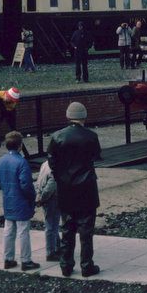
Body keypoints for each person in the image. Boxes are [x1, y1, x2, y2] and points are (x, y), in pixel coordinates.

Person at [48, 102, 101, 277]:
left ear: (68, 116)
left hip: (66, 188)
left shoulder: (57, 137)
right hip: (86, 188)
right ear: (84, 116)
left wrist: (61, 178)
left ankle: (66, 265)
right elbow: (96, 156)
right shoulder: (91, 136)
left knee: (67, 228)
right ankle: (86, 265)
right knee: (86, 231)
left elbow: (52, 163)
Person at [0, 131, 39, 272]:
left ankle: (8, 259)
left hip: (8, 199)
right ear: (20, 146)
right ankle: (26, 260)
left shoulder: (1, 161)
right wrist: (32, 197)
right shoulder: (22, 162)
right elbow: (26, 185)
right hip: (21, 200)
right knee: (23, 231)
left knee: (8, 230)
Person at [35, 159, 61, 262]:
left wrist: (38, 195)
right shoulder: (56, 166)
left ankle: (57, 246)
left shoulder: (45, 163)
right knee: (51, 225)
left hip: (45, 195)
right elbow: (51, 186)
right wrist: (42, 198)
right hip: (52, 198)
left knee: (52, 224)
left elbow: (39, 180)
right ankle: (50, 252)